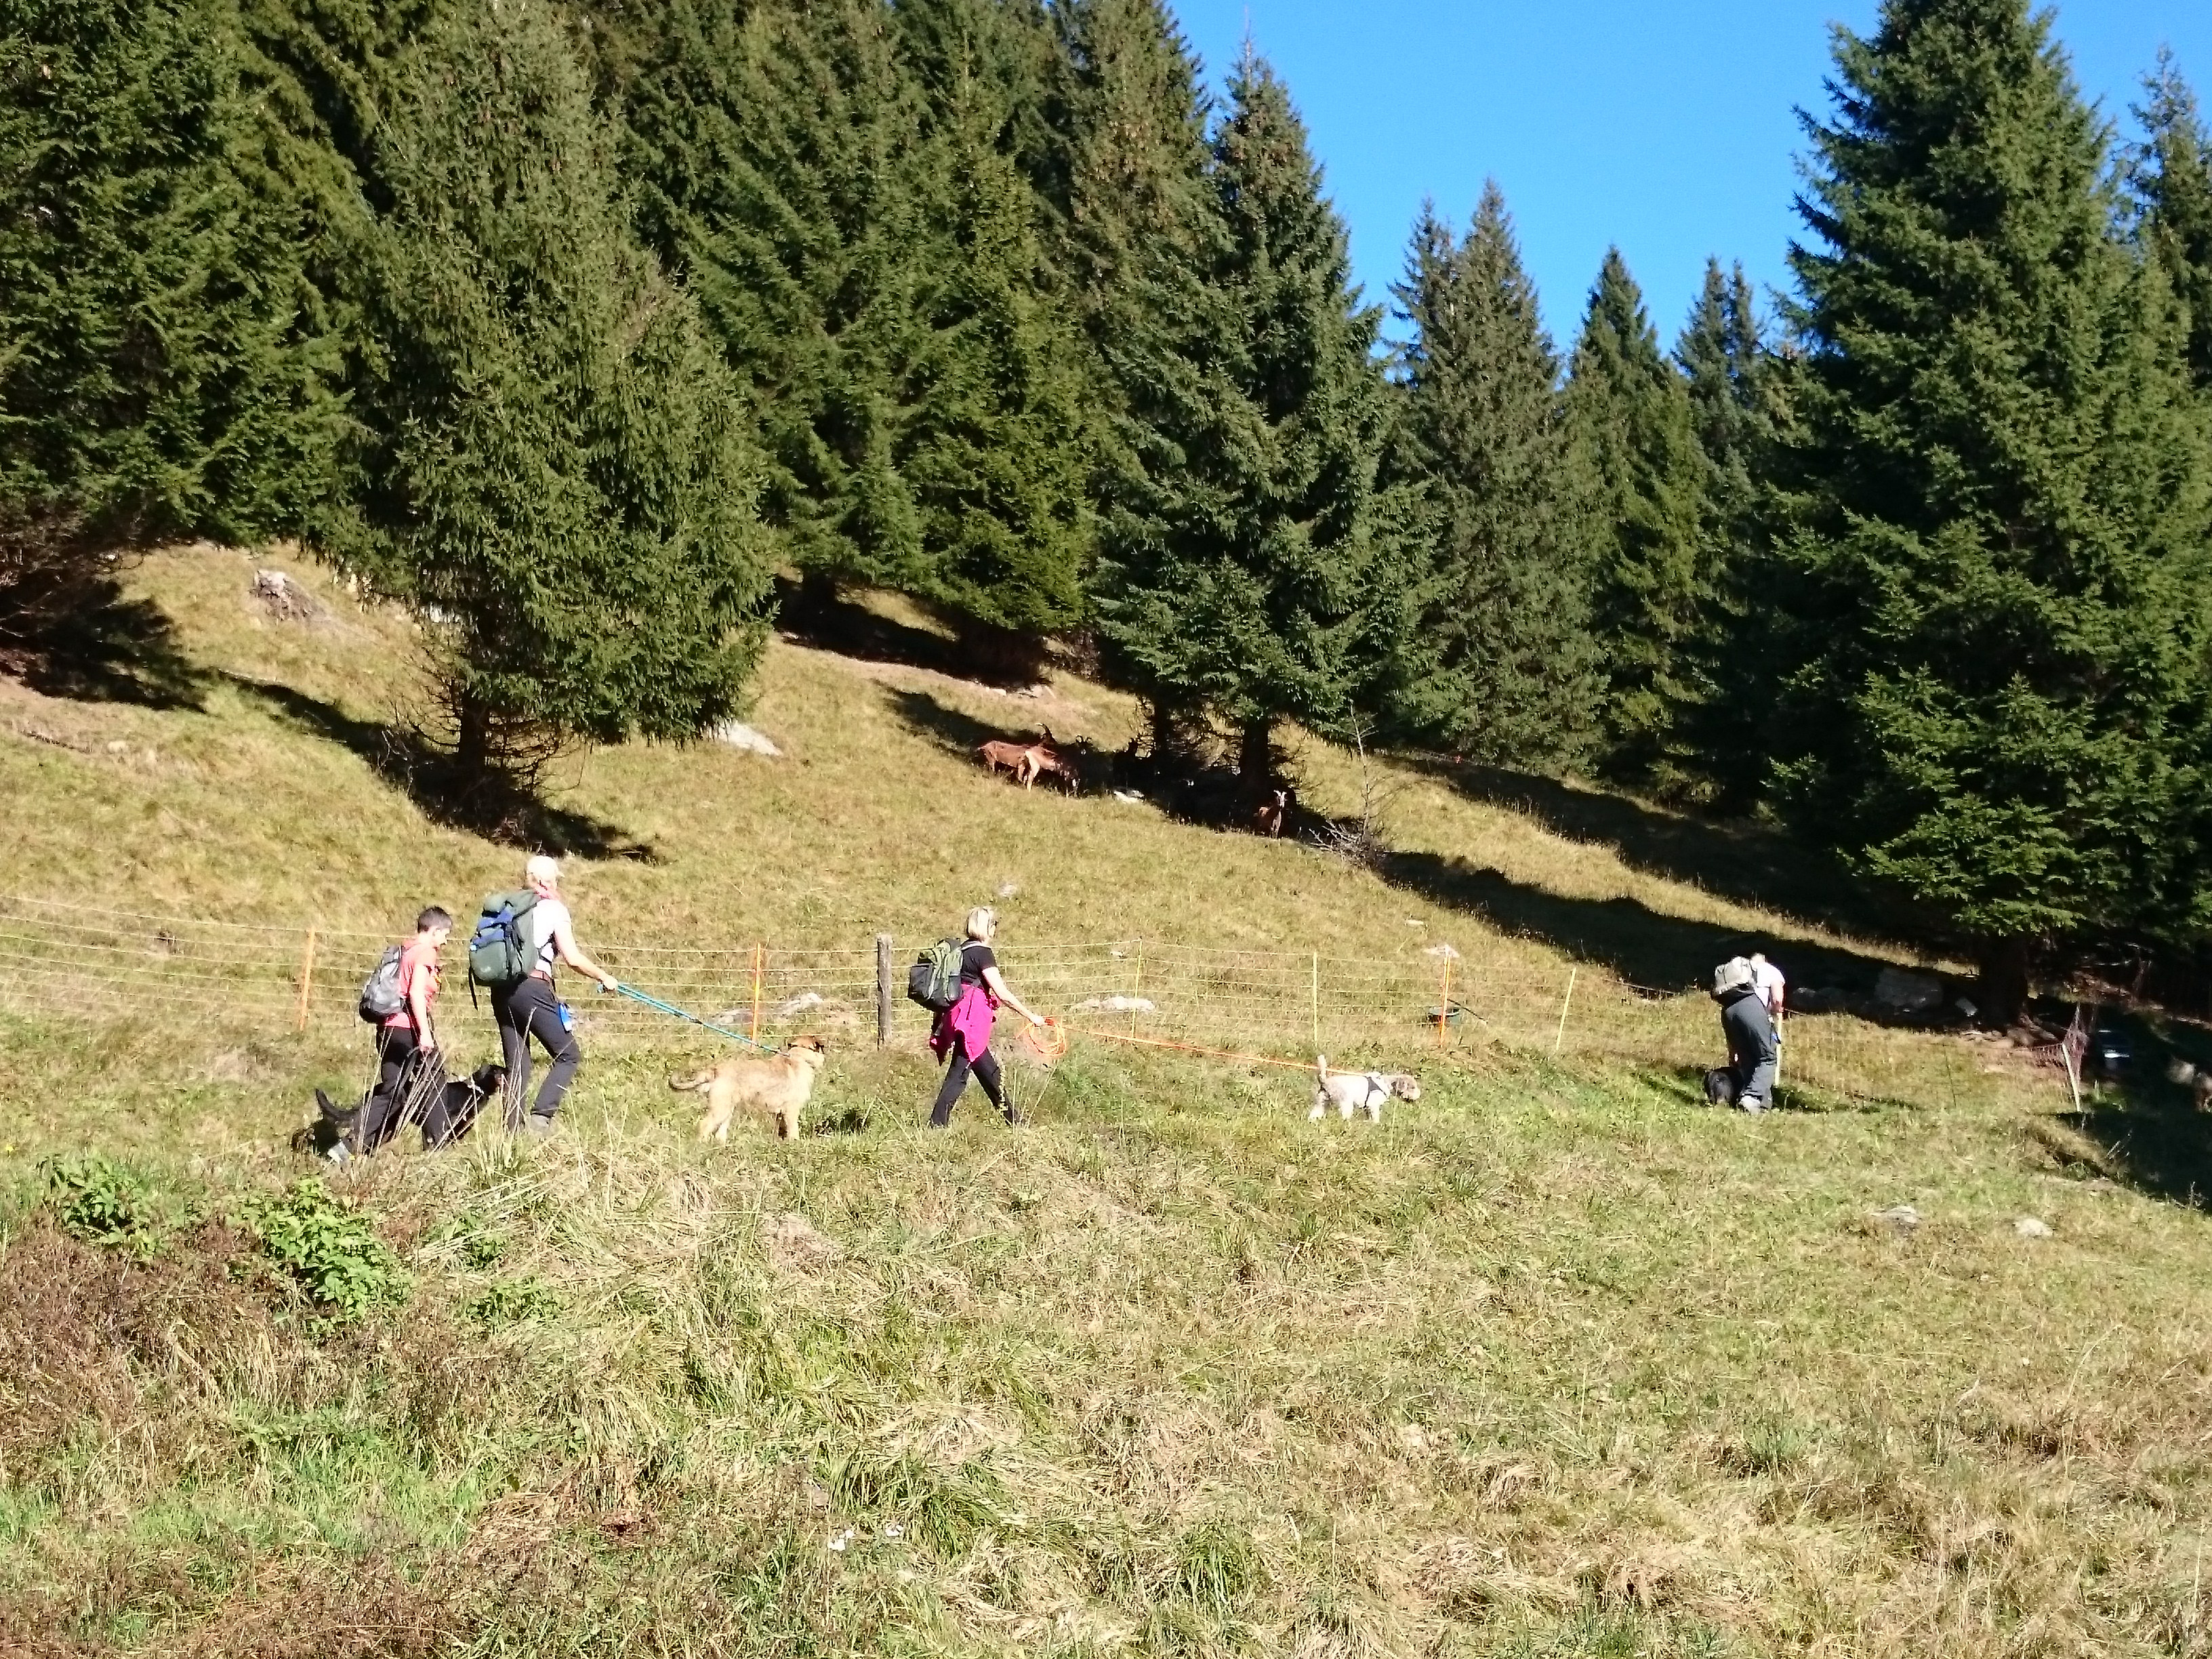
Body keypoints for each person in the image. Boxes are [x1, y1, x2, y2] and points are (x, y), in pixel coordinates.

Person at [494, 855, 617, 1134]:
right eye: (554, 880)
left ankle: (512, 1133)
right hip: (532, 988)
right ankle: (541, 1119)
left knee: (518, 1063)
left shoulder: (509, 905)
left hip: (501, 990)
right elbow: (572, 958)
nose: (557, 885)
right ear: (544, 881)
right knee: (568, 1055)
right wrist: (604, 976)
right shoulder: (553, 909)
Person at [928, 906, 1046, 1128]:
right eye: (994, 924)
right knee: (959, 1073)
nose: (995, 929)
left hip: (957, 1016)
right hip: (971, 1020)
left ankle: (1015, 1122)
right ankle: (936, 1124)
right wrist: (1031, 1016)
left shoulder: (960, 951)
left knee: (989, 1071)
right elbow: (1003, 994)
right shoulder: (983, 953)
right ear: (988, 927)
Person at [358, 907, 451, 1151]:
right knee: (434, 1082)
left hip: (387, 1029)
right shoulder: (426, 952)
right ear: (434, 930)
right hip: (408, 1029)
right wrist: (424, 1033)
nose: (445, 941)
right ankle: (437, 1144)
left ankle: (351, 1145)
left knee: (392, 1091)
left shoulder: (404, 950)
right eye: (444, 935)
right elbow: (415, 993)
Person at [1711, 956, 1779, 1113]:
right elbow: (1778, 999)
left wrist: (1732, 1049)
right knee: (1768, 1058)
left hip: (1728, 1012)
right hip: (1750, 1009)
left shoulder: (1729, 996)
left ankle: (1761, 1106)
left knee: (1748, 1059)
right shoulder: (1771, 972)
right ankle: (1752, 1097)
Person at [1750, 951, 1787, 1018]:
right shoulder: (1772, 971)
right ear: (1765, 960)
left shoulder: (1743, 971)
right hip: (1762, 1014)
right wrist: (1775, 1010)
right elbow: (1777, 1000)